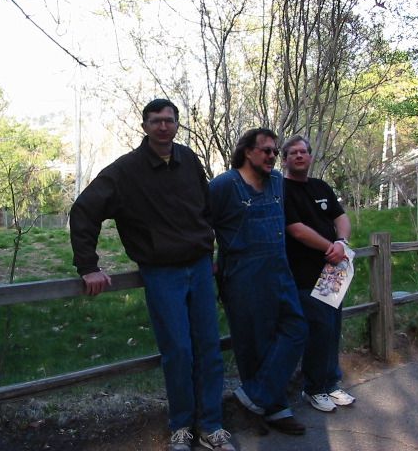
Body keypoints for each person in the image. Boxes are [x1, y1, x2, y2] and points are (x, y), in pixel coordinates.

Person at [69, 99, 235, 451]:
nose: (164, 127)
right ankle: (181, 428)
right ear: (144, 126)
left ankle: (211, 426)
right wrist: (88, 265)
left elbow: (205, 209)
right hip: (162, 273)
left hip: (201, 267)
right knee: (178, 351)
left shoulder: (188, 160)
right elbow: (85, 210)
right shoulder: (125, 171)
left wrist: (210, 250)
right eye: (156, 121)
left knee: (209, 349)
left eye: (170, 121)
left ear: (177, 125)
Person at [209, 128, 308, 436]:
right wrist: (206, 261)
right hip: (243, 275)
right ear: (247, 151)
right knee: (253, 345)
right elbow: (199, 224)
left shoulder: (277, 181)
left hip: (279, 271)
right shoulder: (224, 185)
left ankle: (254, 397)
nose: (272, 156)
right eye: (266, 150)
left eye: (275, 152)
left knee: (296, 328)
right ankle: (274, 409)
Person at [282, 134, 356, 413]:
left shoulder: (320, 186)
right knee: (317, 330)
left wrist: (342, 242)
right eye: (293, 153)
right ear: (286, 159)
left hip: (333, 272)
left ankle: (331, 383)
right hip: (304, 273)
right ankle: (313, 388)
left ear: (310, 157)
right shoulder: (282, 189)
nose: (300, 156)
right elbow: (295, 229)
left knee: (333, 328)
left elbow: (341, 217)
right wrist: (329, 246)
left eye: (304, 152)